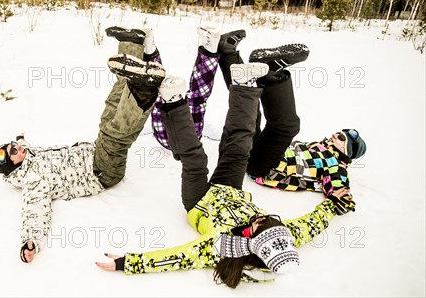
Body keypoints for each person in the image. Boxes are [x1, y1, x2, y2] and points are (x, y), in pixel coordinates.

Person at [96, 43, 356, 287]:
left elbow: (177, 257)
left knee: (195, 159)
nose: (262, 216)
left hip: (200, 203)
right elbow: (311, 223)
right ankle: (244, 86)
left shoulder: (222, 246)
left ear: (251, 240)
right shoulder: (284, 236)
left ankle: (173, 101)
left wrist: (127, 263)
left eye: (260, 224)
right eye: (270, 219)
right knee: (240, 147)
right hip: (229, 190)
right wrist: (333, 205)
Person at [0, 26, 165, 263]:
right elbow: (35, 213)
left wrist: (18, 140)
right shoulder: (33, 183)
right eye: (14, 152)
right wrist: (31, 242)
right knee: (115, 135)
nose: (19, 148)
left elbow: (21, 142)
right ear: (13, 167)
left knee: (110, 110)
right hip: (101, 172)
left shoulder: (28, 155)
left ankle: (132, 45)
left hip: (93, 152)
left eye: (12, 145)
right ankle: (143, 90)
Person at [149, 27, 367, 198]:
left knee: (286, 127)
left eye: (341, 138)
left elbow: (338, 187)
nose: (335, 135)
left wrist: (342, 197)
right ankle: (228, 53)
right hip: (263, 153)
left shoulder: (335, 165)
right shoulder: (319, 148)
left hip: (264, 168)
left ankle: (271, 75)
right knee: (250, 111)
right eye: (339, 132)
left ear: (347, 151)